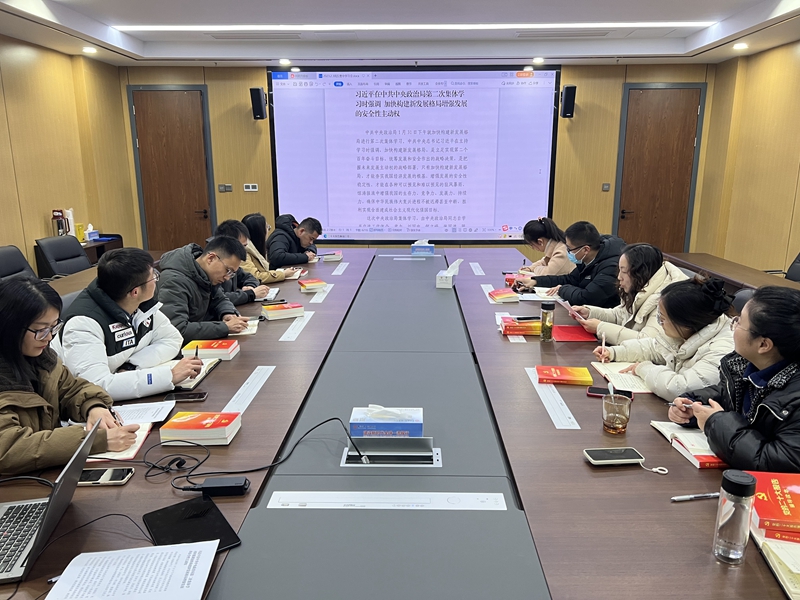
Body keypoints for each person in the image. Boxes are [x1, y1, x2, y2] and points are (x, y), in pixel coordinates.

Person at [0, 277, 139, 475]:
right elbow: (9, 449)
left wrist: (94, 407)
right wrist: (93, 441)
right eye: (40, 330)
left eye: (54, 327)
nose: (49, 337)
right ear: (9, 327)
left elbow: (72, 389)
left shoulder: (42, 359)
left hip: (46, 472)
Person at [669, 287, 800, 471]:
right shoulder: (744, 365)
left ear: (763, 344)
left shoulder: (795, 397)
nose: (733, 324)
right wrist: (693, 404)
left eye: (739, 322)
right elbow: (726, 394)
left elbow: (773, 461)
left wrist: (714, 423)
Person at [52, 248, 203, 401]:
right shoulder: (83, 325)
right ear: (135, 292)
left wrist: (131, 366)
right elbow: (95, 386)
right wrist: (169, 376)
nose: (156, 280)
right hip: (77, 405)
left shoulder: (139, 303)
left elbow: (171, 339)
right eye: (153, 277)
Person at [593, 277, 734, 401]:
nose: (660, 323)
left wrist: (643, 368)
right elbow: (655, 347)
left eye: (663, 319)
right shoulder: (690, 330)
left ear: (685, 322)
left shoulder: (721, 349)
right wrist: (615, 352)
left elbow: (681, 388)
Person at [571, 243, 688, 343]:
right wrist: (590, 312)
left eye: (623, 271)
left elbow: (648, 342)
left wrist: (600, 328)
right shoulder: (641, 287)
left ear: (640, 273)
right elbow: (620, 315)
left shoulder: (668, 298)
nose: (619, 277)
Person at [158, 236, 250, 342]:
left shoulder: (205, 275)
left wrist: (227, 313)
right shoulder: (174, 281)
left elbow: (220, 299)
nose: (227, 278)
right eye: (228, 270)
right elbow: (177, 329)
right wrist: (225, 327)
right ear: (211, 258)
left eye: (232, 274)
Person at [513, 221, 624, 308]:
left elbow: (586, 298)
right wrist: (535, 281)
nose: (567, 252)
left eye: (570, 249)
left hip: (602, 318)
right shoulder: (587, 259)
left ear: (585, 249)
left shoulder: (611, 267)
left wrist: (562, 289)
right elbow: (570, 279)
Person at [213, 220, 269, 305]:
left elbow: (249, 277)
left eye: (245, 246)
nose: (244, 250)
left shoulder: (233, 263)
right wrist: (250, 294)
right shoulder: (213, 266)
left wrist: (250, 286)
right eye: (242, 246)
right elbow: (218, 298)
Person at [241, 213, 301, 284]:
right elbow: (255, 277)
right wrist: (283, 274)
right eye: (267, 228)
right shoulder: (244, 252)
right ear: (259, 232)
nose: (268, 231)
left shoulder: (256, 247)